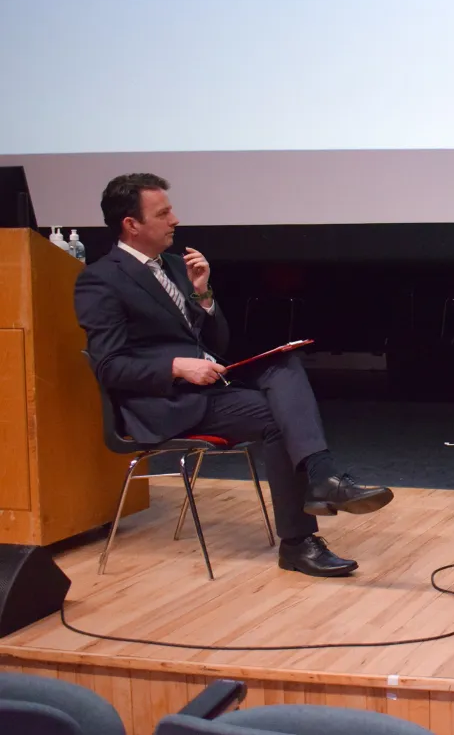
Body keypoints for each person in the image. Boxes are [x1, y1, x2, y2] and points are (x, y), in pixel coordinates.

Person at [73, 173, 394, 578]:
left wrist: (204, 296)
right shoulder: (100, 279)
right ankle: (302, 533)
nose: (175, 219)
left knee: (285, 364)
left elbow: (217, 341)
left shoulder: (175, 266)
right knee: (279, 420)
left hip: (208, 389)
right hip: (163, 403)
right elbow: (109, 365)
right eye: (163, 212)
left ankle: (321, 479)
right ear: (131, 224)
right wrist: (176, 367)